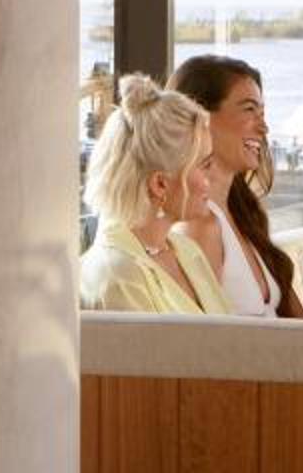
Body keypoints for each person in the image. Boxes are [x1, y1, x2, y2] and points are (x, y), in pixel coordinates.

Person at [77, 73, 230, 314]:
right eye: (205, 165)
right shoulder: (118, 277)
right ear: (160, 184)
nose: (214, 177)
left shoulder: (186, 251)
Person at [170, 54, 303, 318]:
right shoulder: (199, 226)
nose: (264, 127)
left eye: (262, 113)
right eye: (250, 110)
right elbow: (203, 337)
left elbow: (301, 327)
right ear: (201, 117)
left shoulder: (244, 214)